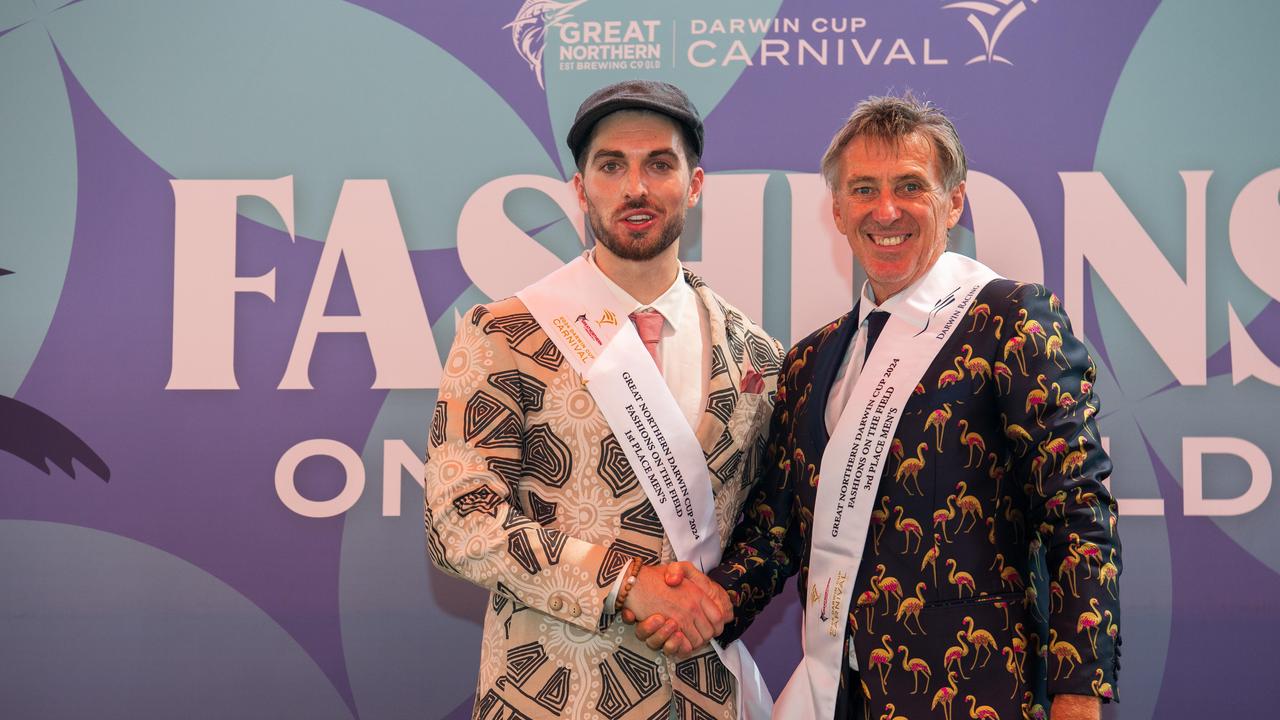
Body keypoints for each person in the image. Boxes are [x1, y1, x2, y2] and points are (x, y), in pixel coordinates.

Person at [634, 93, 1121, 720]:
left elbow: (1078, 512)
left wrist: (1078, 694)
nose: (885, 210)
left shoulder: (1010, 320)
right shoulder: (810, 361)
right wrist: (708, 604)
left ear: (953, 202)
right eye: (863, 189)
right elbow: (776, 529)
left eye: (910, 186)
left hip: (978, 696)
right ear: (837, 211)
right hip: (842, 697)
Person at [425, 80, 782, 719]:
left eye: (660, 165)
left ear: (695, 186)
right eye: (611, 165)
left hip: (705, 696)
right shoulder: (507, 331)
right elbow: (460, 520)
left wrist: (721, 599)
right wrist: (622, 584)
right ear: (581, 188)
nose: (635, 188)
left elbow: (769, 526)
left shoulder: (755, 354)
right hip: (552, 695)